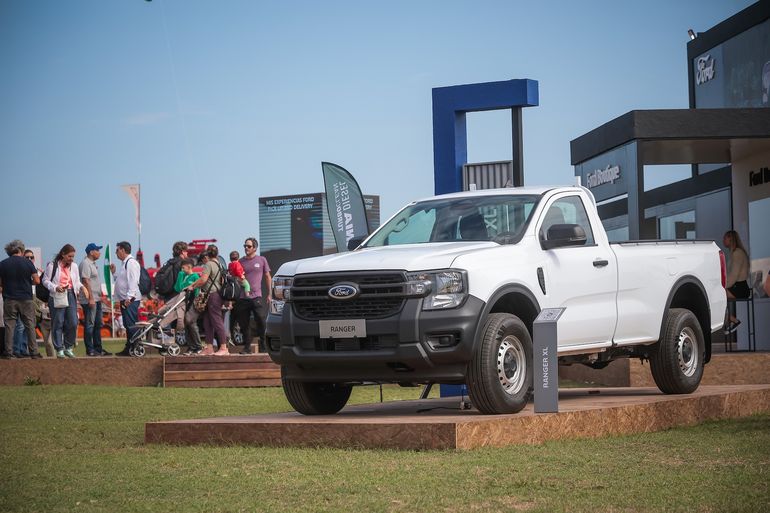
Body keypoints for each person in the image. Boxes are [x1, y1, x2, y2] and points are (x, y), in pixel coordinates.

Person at [42, 244, 87, 358]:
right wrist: (55, 287)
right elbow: (45, 280)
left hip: (71, 294)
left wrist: (82, 287)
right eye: (69, 256)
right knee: (58, 322)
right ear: (63, 254)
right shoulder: (52, 266)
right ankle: (59, 348)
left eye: (73, 257)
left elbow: (76, 281)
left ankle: (68, 347)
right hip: (57, 295)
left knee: (73, 322)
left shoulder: (74, 266)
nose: (71, 259)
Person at [0, 240, 42, 359]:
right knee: (29, 325)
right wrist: (28, 282)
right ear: (21, 250)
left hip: (9, 299)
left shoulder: (2, 264)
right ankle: (34, 352)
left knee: (10, 326)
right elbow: (37, 281)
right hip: (26, 298)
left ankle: (8, 352)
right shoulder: (28, 263)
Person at [234, 237, 272, 354]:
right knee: (244, 323)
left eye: (249, 246)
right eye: (245, 246)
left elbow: (267, 276)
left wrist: (270, 293)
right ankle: (247, 348)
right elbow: (236, 278)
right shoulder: (240, 261)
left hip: (257, 296)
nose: (246, 248)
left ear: (255, 248)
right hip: (243, 297)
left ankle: (264, 346)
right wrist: (241, 281)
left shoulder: (261, 260)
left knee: (261, 320)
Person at [189, 246, 227, 356]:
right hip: (217, 295)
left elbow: (203, 279)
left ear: (207, 255)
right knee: (207, 321)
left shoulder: (209, 264)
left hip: (212, 295)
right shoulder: (220, 264)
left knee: (216, 321)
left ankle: (224, 348)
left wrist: (193, 286)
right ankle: (209, 347)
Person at [79, 243, 110, 356]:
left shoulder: (92, 263)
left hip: (96, 299)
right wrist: (91, 298)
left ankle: (98, 348)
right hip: (89, 300)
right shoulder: (86, 263)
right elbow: (86, 280)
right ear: (91, 252)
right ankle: (90, 349)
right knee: (90, 324)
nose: (99, 252)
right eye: (97, 250)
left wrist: (99, 297)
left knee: (98, 324)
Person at [112, 241, 141, 357]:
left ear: (123, 250)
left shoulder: (131, 263)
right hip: (126, 299)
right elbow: (121, 280)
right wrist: (114, 273)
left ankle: (135, 347)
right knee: (128, 324)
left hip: (130, 300)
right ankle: (130, 347)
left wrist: (129, 298)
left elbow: (133, 281)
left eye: (117, 250)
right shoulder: (125, 263)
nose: (116, 252)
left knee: (130, 324)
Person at [723, 230, 749, 334]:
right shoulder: (735, 253)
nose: (723, 240)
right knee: (716, 296)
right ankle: (732, 319)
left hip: (739, 288)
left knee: (716, 295)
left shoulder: (737, 253)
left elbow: (734, 275)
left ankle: (732, 320)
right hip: (738, 287)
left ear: (731, 239)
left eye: (725, 238)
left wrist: (723, 286)